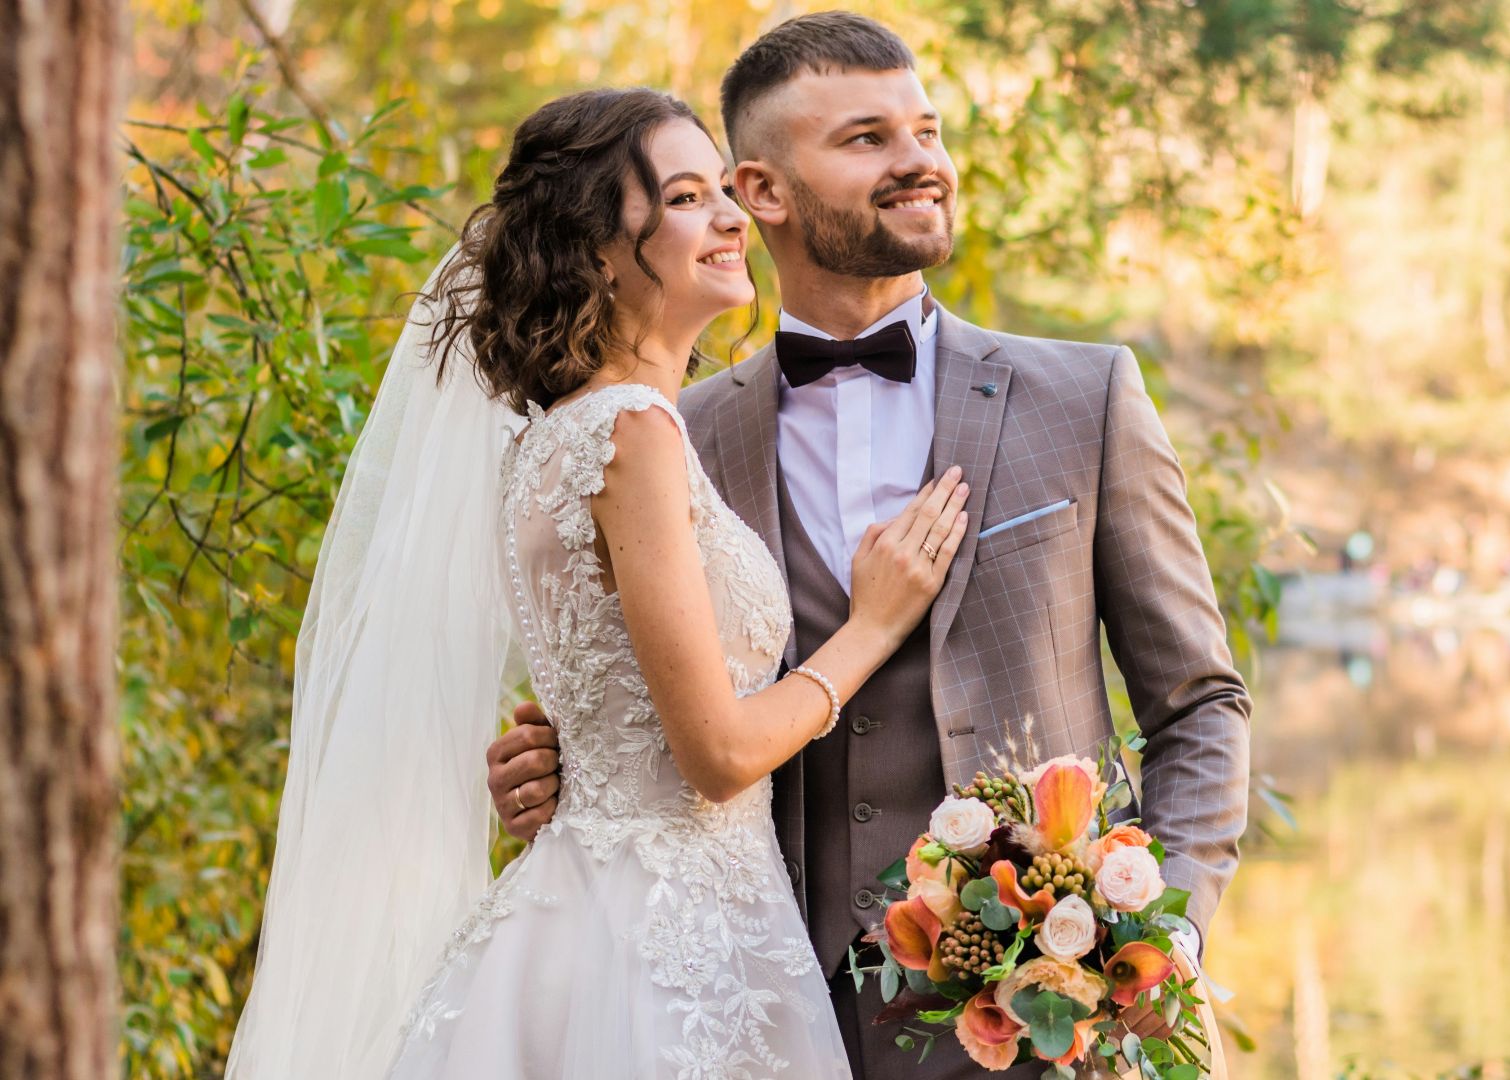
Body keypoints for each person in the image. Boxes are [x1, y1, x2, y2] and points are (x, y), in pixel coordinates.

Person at [485, 13, 1252, 1079]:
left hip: (1041, 1019)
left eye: (925, 130)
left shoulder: (1086, 399)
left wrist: (1159, 936)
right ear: (763, 191)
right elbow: (659, 703)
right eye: (867, 140)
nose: (920, 163)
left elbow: (1201, 706)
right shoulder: (666, 428)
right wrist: (560, 761)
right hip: (759, 995)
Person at [227, 85, 970, 1078]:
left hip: (593, 909)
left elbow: (611, 700)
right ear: (600, 250)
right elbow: (713, 753)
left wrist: (557, 750)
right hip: (666, 943)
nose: (731, 219)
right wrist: (873, 626)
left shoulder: (552, 442)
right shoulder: (632, 433)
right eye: (686, 198)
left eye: (724, 194)